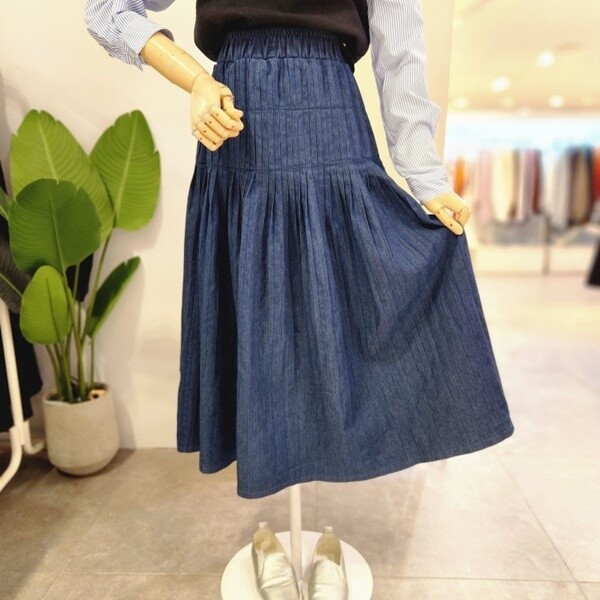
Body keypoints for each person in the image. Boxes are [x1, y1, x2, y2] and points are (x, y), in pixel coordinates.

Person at [84, 0, 515, 501]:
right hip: (236, 116)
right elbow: (107, 10)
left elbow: (399, 49)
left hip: (328, 107)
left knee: (339, 297)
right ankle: (275, 483)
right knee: (260, 304)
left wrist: (426, 178)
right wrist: (196, 80)